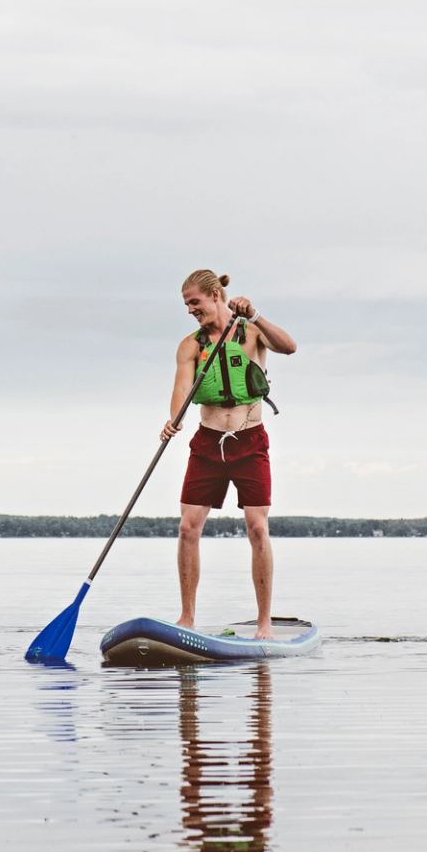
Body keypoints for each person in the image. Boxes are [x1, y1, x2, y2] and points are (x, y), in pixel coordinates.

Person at [160, 270, 297, 638]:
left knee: (257, 528)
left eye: (195, 302)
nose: (190, 309)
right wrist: (173, 420)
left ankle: (264, 623)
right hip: (207, 443)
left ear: (215, 295)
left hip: (249, 441)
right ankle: (187, 618)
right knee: (187, 527)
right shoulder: (190, 345)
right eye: (186, 304)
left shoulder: (250, 332)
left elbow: (289, 347)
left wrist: (256, 315)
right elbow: (181, 390)